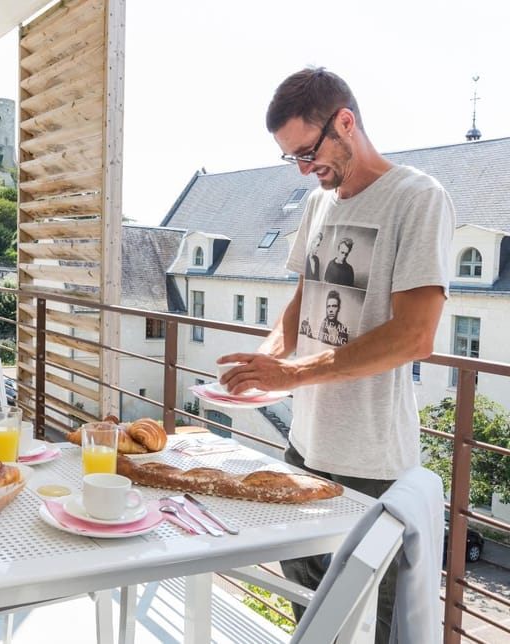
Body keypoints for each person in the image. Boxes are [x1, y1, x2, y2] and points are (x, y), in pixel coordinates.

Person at [217, 67, 454, 642]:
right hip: (307, 444)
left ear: (345, 122)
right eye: (290, 159)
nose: (302, 169)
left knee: (372, 622)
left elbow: (414, 336)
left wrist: (292, 371)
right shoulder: (319, 204)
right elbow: (304, 300)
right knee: (312, 607)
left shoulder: (417, 199)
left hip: (373, 461)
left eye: (307, 152)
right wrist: (266, 361)